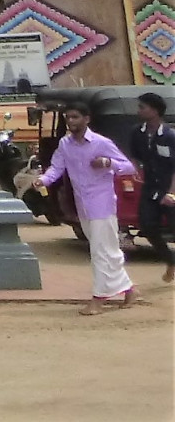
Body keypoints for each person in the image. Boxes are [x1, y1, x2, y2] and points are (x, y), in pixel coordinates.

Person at [36, 97, 138, 313]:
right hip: (83, 205)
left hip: (102, 204)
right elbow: (56, 168)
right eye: (67, 117)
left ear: (87, 119)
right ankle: (128, 289)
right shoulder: (65, 144)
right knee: (107, 250)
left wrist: (106, 163)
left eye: (74, 117)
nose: (70, 121)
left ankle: (99, 299)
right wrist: (43, 180)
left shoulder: (101, 143)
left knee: (100, 252)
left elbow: (128, 167)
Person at [127, 91, 175, 284]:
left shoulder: (170, 136)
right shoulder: (137, 133)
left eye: (142, 107)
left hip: (170, 188)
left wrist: (171, 193)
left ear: (154, 110)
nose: (139, 110)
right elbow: (135, 158)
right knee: (147, 226)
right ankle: (171, 261)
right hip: (149, 189)